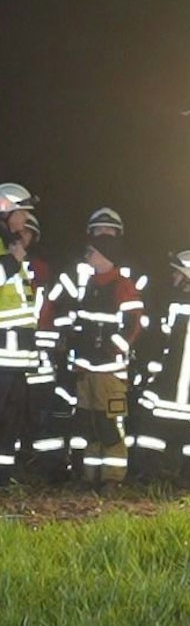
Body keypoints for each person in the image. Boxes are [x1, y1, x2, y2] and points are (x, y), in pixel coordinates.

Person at [46, 209, 145, 487]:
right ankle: (90, 477)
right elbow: (74, 319)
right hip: (85, 369)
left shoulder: (123, 285)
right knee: (88, 424)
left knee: (109, 425)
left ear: (106, 255)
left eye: (93, 252)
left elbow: (133, 324)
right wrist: (73, 349)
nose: (88, 256)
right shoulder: (89, 284)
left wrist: (112, 350)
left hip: (110, 373)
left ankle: (112, 478)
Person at [128, 250, 190, 482]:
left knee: (153, 434)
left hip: (169, 390)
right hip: (185, 394)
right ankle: (179, 478)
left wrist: (149, 376)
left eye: (178, 273)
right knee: (185, 440)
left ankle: (149, 477)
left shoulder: (177, 308)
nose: (173, 276)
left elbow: (161, 346)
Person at [0, 184, 42, 484]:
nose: (26, 219)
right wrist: (12, 261)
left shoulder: (12, 246)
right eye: (23, 212)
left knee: (12, 417)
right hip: (2, 349)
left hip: (19, 353)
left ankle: (4, 475)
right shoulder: (8, 251)